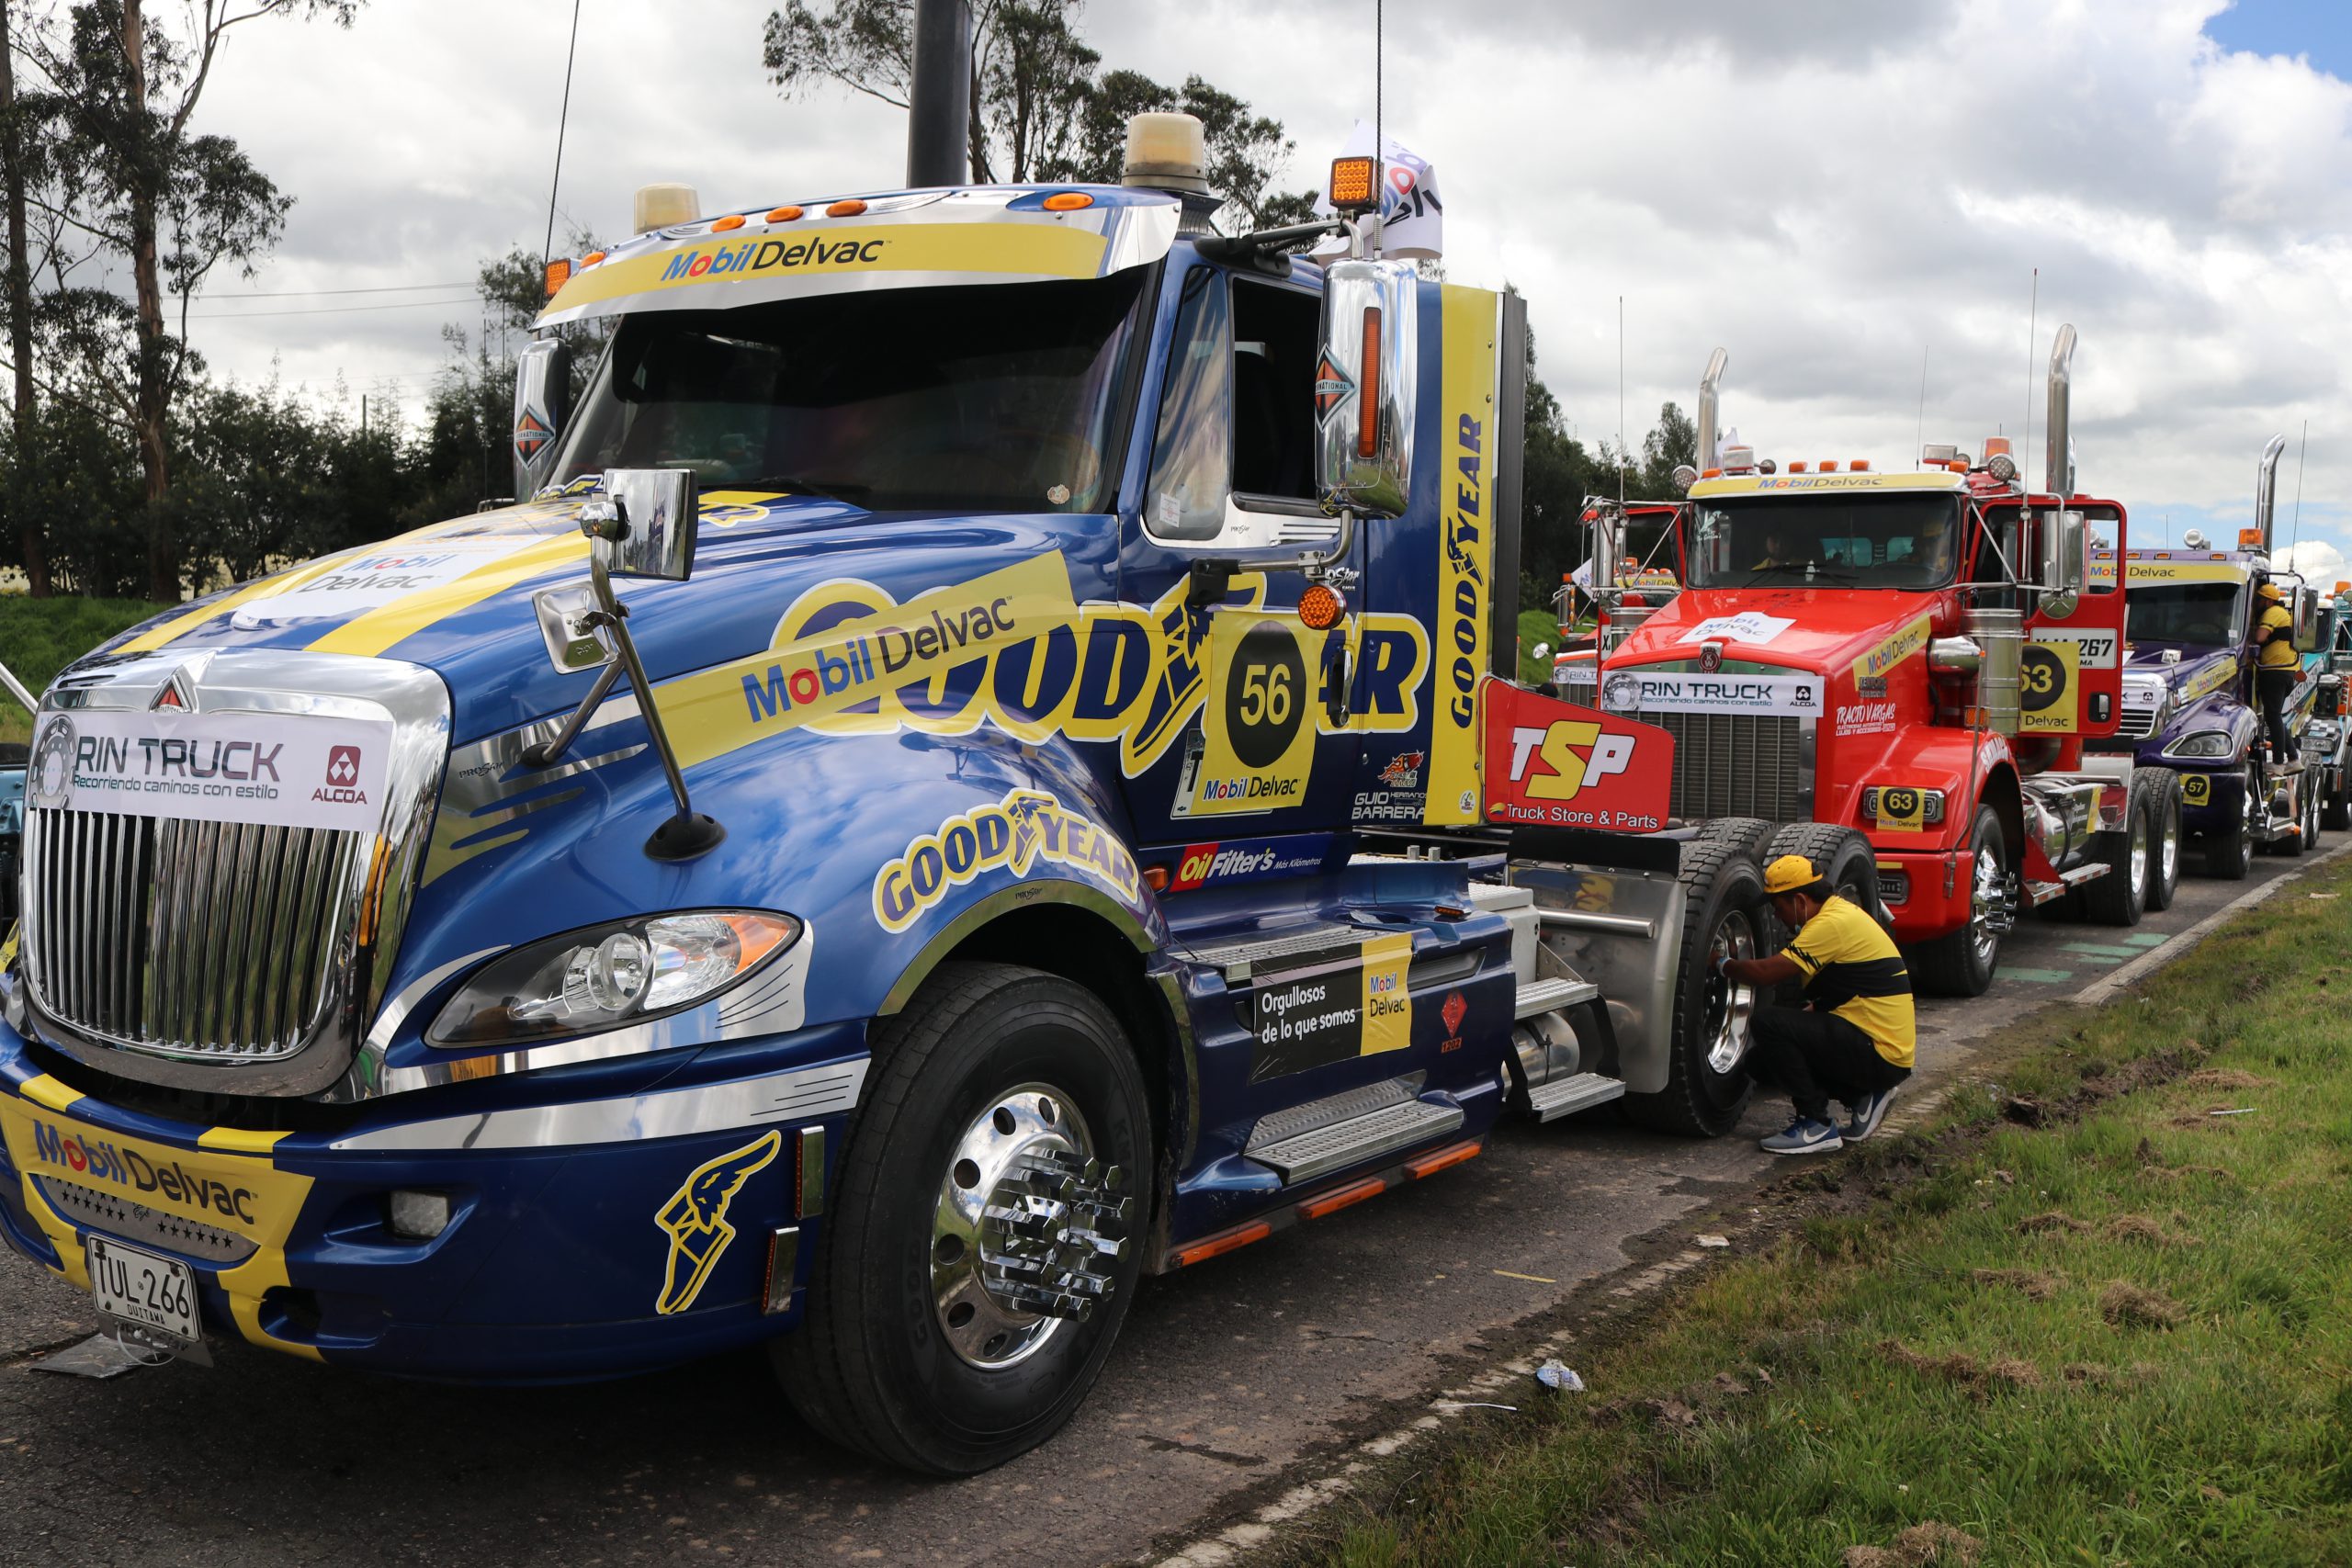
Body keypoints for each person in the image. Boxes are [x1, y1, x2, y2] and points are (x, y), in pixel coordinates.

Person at [1716, 854, 1915, 1155]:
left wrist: (1721, 963)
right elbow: (1839, 994)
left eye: (1778, 906)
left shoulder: (1829, 924)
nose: (1776, 914)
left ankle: (1816, 1125)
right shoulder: (1840, 913)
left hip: (1879, 1052)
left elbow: (1765, 974)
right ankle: (1862, 1095)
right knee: (1760, 1062)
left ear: (1799, 900)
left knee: (1768, 1023)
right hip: (1879, 1049)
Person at [2254, 581, 2300, 763]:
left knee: (2273, 716)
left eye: (2258, 599)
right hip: (2285, 671)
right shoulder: (2281, 613)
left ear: (2268, 601)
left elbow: (2259, 637)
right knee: (2275, 716)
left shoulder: (2272, 613)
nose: (2256, 603)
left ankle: (2279, 763)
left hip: (2275, 671)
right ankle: (2294, 759)